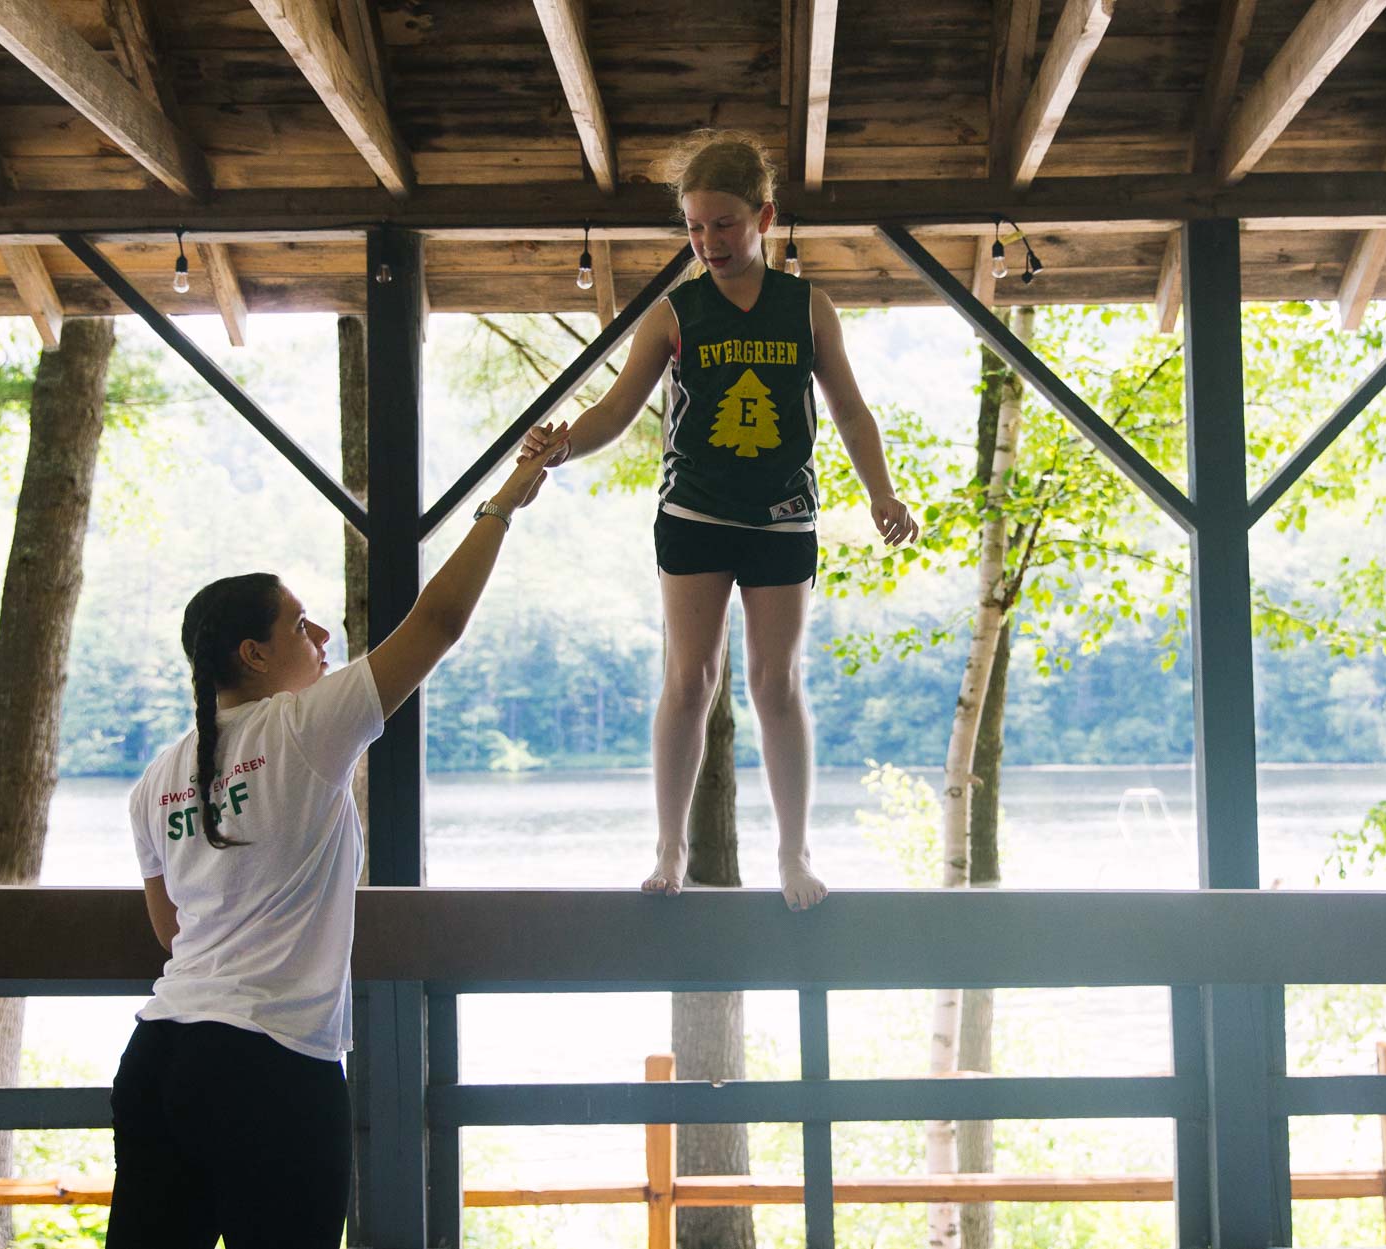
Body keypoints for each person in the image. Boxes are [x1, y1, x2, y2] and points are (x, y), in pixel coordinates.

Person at [105, 442, 563, 1248]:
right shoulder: (305, 726)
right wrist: (502, 506)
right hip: (272, 1065)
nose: (320, 632)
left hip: (159, 1057)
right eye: (297, 623)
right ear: (253, 654)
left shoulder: (155, 779)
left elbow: (171, 931)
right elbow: (439, 624)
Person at [519, 130, 919, 911]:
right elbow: (615, 411)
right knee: (691, 678)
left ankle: (795, 852)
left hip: (782, 520)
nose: (709, 243)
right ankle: (669, 847)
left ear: (764, 216)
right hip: (694, 515)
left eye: (725, 225)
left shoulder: (807, 309)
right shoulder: (675, 312)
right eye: (696, 228)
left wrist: (883, 492)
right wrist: (561, 447)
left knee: (776, 684)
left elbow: (850, 409)